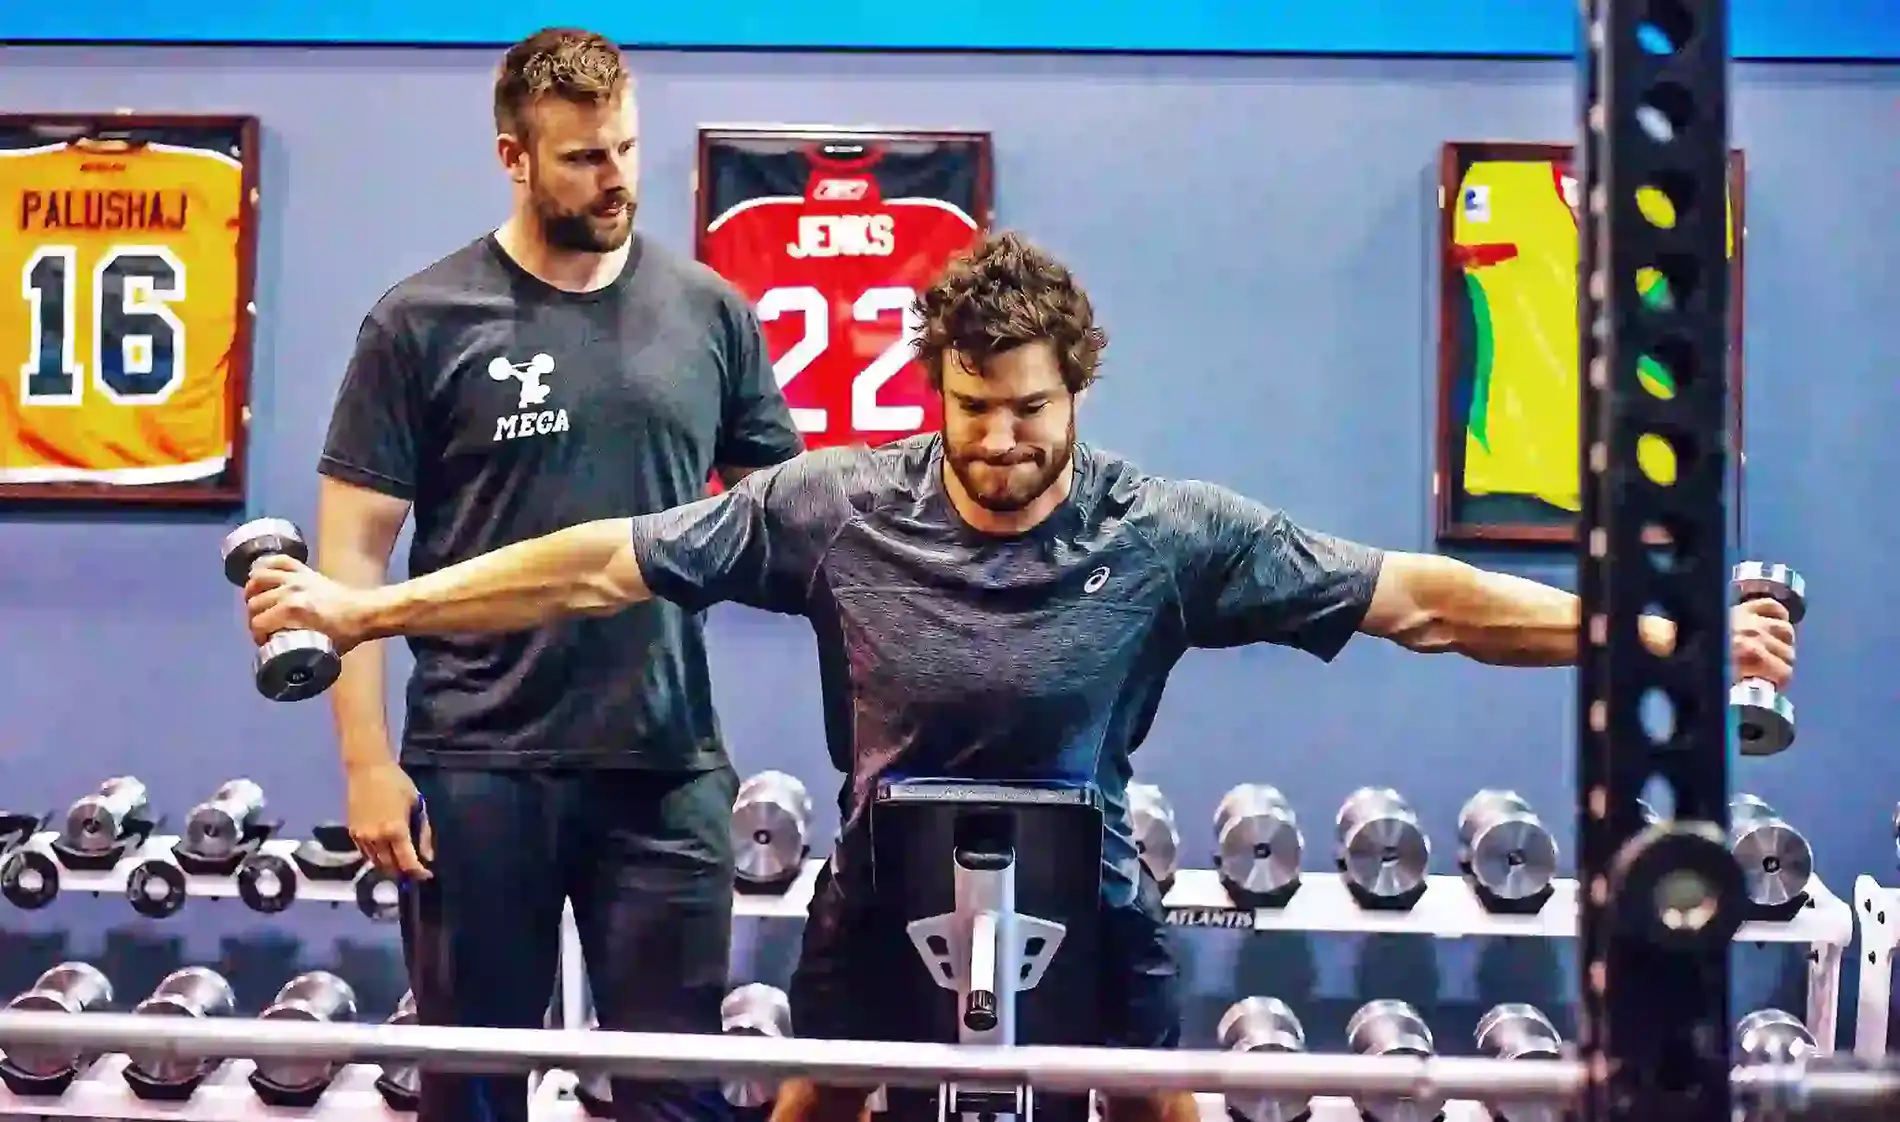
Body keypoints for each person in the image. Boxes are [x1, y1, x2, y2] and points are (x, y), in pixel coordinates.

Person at [259, 230, 1795, 1122]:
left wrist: (1655, 633)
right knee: (818, 1107)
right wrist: (367, 608)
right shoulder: (837, 506)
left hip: (1094, 879)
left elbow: (1423, 602)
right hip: (876, 875)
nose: (1002, 441)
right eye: (976, 408)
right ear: (937, 389)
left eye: (1031, 411)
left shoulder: (1168, 530)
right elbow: (600, 559)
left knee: (1154, 1101)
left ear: (1080, 390)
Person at [311, 27, 802, 1122]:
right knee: (473, 1088)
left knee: (672, 1092)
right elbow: (347, 563)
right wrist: (365, 767)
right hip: (479, 762)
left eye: (625, 147)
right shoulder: (420, 323)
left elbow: (796, 514)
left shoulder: (709, 312)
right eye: (583, 156)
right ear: (513, 157)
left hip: (664, 761)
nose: (615, 177)